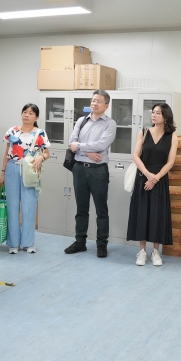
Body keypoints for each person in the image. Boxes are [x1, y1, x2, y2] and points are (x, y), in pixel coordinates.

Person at [64, 90, 117, 258]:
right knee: (81, 208)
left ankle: (102, 244)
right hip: (79, 168)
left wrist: (80, 147)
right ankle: (80, 242)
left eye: (99, 101)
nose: (94, 103)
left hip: (98, 170)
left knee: (101, 209)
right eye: (93, 100)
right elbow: (71, 143)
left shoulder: (110, 124)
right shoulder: (82, 120)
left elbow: (102, 145)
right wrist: (87, 152)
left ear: (106, 106)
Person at [127, 103, 178, 266]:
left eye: (158, 113)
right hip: (143, 177)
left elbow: (170, 162)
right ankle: (142, 251)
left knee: (158, 214)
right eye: (153, 112)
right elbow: (136, 156)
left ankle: (156, 251)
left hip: (160, 180)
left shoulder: (172, 137)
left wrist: (156, 178)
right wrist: (148, 175)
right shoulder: (143, 133)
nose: (154, 115)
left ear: (166, 117)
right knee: (142, 213)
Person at [0, 104, 51, 254]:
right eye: (24, 112)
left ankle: (28, 243)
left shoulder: (40, 133)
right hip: (12, 168)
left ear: (36, 117)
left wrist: (41, 158)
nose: (26, 115)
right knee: (12, 206)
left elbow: (47, 153)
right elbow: (6, 153)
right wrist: (3, 173)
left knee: (29, 206)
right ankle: (13, 243)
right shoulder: (12, 131)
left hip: (30, 169)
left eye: (30, 113)